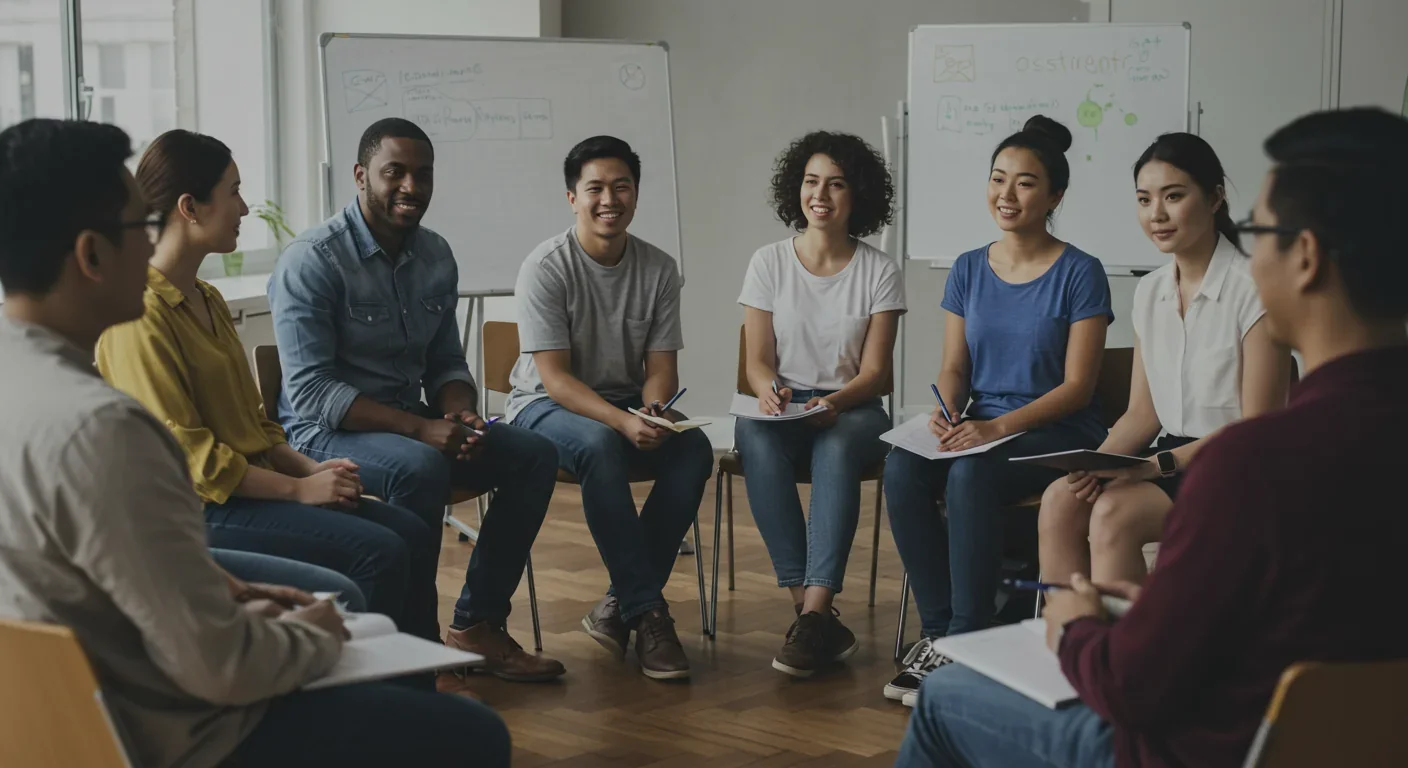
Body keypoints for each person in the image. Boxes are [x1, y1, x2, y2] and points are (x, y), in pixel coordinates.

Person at [896, 107, 1408, 768]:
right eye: (1145, 199)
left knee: (946, 700)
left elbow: (1136, 691)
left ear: (1304, 256)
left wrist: (1080, 627)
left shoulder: (1254, 463)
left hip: (1189, 748)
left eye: (1260, 230)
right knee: (1071, 502)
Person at [0, 118, 509, 768]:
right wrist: (316, 635)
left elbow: (109, 566)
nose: (152, 243)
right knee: (474, 735)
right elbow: (221, 667)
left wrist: (234, 589)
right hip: (176, 733)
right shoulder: (105, 429)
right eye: (139, 228)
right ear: (91, 256)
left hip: (60, 726)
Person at [96, 129, 437, 640]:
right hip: (204, 509)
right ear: (190, 207)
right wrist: (300, 491)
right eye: (233, 192)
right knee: (380, 551)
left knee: (408, 530)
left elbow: (256, 424)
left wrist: (311, 469)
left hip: (249, 491)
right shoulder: (140, 315)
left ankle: (421, 683)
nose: (244, 207)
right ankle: (376, 697)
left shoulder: (207, 298)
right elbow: (197, 464)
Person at [268, 118, 565, 681]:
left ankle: (476, 624)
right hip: (324, 430)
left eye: (422, 174)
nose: (411, 186)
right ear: (360, 176)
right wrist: (420, 429)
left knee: (534, 455)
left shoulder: (435, 254)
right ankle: (414, 649)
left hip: (408, 422)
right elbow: (311, 392)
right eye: (394, 172)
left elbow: (446, 362)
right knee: (422, 467)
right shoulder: (313, 260)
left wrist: (457, 409)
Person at [882, 115, 1113, 705]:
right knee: (903, 468)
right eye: (997, 179)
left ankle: (970, 637)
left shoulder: (1080, 272)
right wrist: (946, 409)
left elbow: (1079, 387)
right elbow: (955, 367)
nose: (1006, 195)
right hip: (981, 425)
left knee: (972, 472)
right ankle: (940, 633)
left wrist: (996, 427)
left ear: (1055, 195)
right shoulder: (966, 268)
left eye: (1025, 183)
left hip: (1053, 428)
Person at [1036, 133, 1291, 586]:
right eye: (1144, 199)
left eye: (1174, 196)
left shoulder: (1254, 287)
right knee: (1061, 499)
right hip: (1170, 457)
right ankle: (1064, 647)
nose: (1157, 214)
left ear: (1215, 198)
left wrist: (1155, 466)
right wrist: (1096, 463)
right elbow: (1142, 414)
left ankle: (1129, 654)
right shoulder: (1151, 291)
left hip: (1239, 467)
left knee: (1115, 513)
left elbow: (1259, 426)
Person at [507, 135, 714, 680]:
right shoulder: (545, 267)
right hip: (542, 405)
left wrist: (652, 410)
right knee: (600, 445)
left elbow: (661, 368)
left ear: (636, 194)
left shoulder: (659, 269)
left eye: (621, 187)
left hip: (623, 402)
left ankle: (617, 605)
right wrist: (623, 421)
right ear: (571, 197)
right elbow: (554, 380)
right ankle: (647, 612)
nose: (609, 199)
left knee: (693, 448)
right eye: (594, 188)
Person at [734, 131, 904, 677]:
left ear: (858, 196)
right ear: (796, 189)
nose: (821, 195)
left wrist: (834, 402)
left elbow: (877, 375)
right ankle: (811, 617)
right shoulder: (768, 262)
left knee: (834, 451)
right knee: (754, 438)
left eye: (836, 183)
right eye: (811, 182)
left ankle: (815, 612)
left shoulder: (880, 271)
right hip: (784, 406)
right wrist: (766, 389)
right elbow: (758, 360)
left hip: (853, 410)